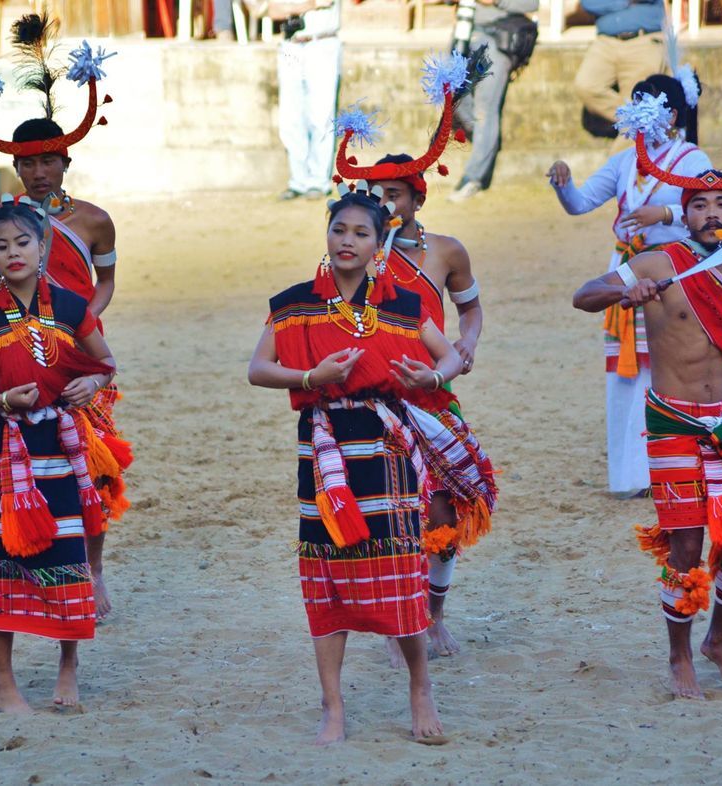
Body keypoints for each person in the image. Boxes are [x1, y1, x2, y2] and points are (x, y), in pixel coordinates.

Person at [571, 113, 722, 699]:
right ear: (685, 212)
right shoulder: (658, 262)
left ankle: (718, 641)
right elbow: (584, 294)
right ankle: (679, 656)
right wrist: (625, 291)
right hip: (674, 423)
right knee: (685, 545)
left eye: (721, 206)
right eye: (698, 205)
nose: (710, 215)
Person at [248, 183, 465, 742]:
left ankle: (420, 690)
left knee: (397, 568)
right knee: (327, 572)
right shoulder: (294, 303)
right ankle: (333, 708)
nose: (347, 241)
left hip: (386, 445)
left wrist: (431, 378)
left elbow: (451, 357)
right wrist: (310, 378)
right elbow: (257, 369)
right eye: (338, 229)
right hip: (322, 447)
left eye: (360, 233)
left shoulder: (401, 305)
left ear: (379, 242)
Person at [0, 16, 128, 621]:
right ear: (15, 166)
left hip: (83, 355)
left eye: (48, 161)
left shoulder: (94, 220)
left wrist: (81, 322)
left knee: (95, 468)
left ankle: (94, 568)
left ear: (65, 160)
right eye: (27, 163)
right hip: (15, 354)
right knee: (25, 461)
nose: (37, 172)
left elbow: (106, 281)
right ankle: (32, 564)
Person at [0, 197, 118, 712]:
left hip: (60, 449)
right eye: (1, 245)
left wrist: (92, 379)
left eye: (23, 242)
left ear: (43, 247)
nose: (13, 252)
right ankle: (4, 683)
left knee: (68, 554)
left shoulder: (70, 307)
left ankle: (68, 670)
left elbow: (106, 362)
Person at [548, 72, 710, 497]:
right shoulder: (624, 162)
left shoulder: (693, 160)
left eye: (647, 106)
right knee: (624, 375)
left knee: (666, 369)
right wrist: (564, 185)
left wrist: (666, 214)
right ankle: (628, 477)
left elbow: (710, 214)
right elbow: (581, 203)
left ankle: (669, 471)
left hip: (673, 271)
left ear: (672, 114)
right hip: (625, 268)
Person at [368, 154, 486, 657]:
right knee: (390, 513)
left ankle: (432, 615)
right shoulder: (354, 252)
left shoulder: (446, 252)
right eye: (375, 194)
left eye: (394, 194)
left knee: (442, 512)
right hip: (375, 396)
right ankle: (401, 621)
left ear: (419, 198)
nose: (384, 204)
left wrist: (466, 345)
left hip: (434, 393)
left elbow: (471, 309)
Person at [449, 0, 539, 202]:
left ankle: (473, 178)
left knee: (485, 108)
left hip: (497, 36)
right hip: (464, 32)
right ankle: (487, 142)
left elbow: (533, 3)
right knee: (449, 93)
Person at [267, 0, 341, 201]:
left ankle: (318, 181)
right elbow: (270, 10)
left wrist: (289, 6)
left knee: (320, 114)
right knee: (290, 117)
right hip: (291, 43)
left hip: (321, 42)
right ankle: (298, 181)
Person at [574, 0, 665, 144]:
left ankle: (616, 162)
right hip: (606, 41)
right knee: (586, 85)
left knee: (637, 103)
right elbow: (588, 3)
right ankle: (641, 120)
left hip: (643, 39)